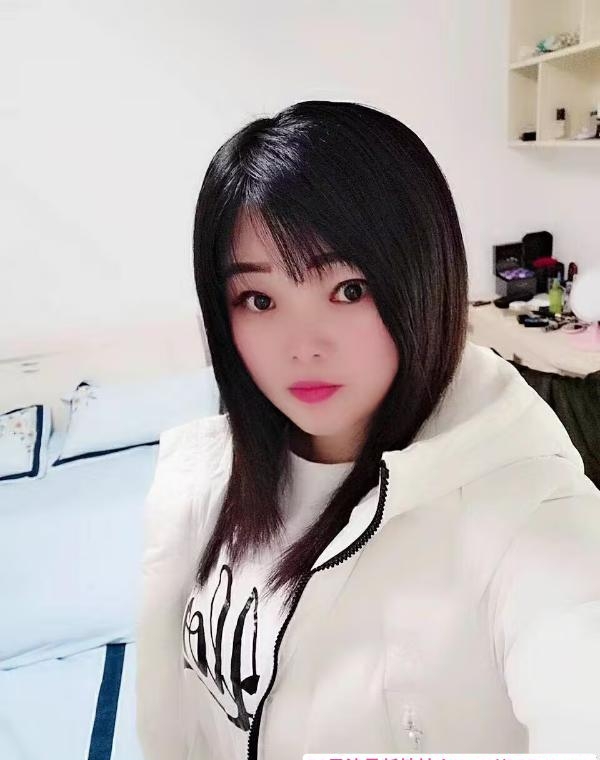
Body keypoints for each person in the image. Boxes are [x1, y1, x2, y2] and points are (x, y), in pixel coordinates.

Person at [135, 101, 600, 759]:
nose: (303, 346)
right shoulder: (216, 473)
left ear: (424, 279)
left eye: (349, 290)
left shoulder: (531, 516)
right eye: (260, 300)